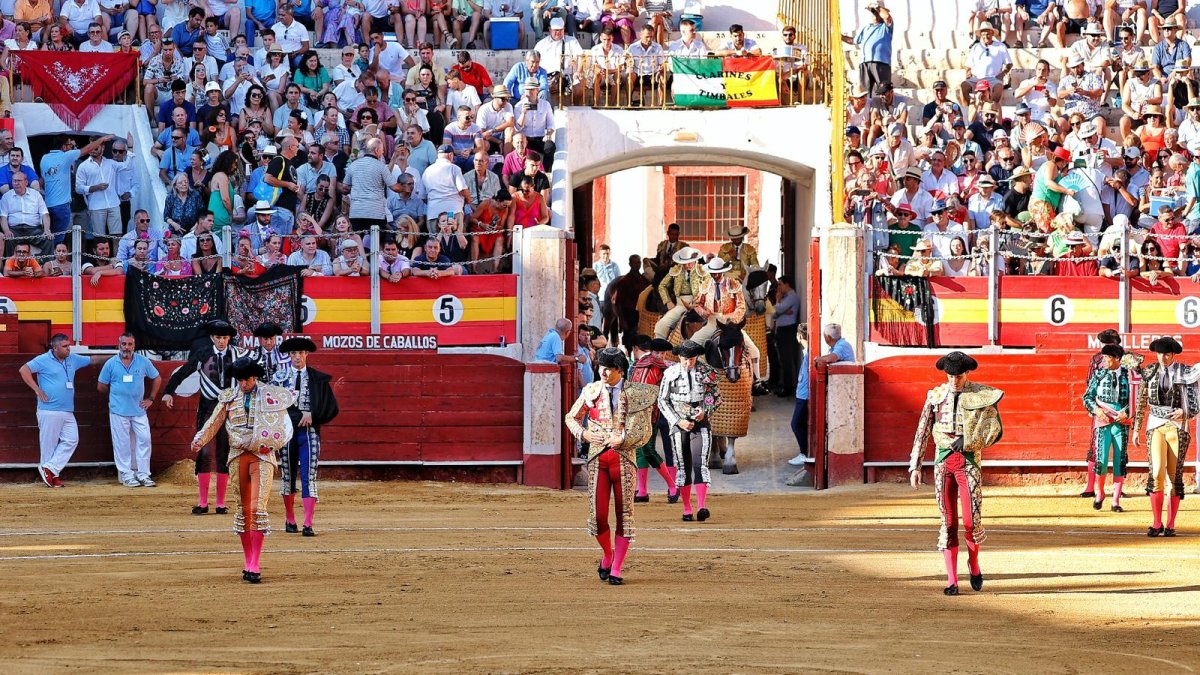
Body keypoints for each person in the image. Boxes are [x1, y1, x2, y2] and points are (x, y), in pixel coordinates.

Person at [190, 357, 295, 583]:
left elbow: (285, 427)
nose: (243, 384)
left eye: (247, 379)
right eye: (239, 380)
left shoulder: (270, 395)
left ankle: (255, 563)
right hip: (237, 456)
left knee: (257, 509)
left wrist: (273, 445)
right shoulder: (229, 397)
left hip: (262, 456)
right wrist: (200, 439)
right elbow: (214, 422)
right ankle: (248, 561)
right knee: (244, 510)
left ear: (254, 377)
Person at [909, 351, 1005, 596]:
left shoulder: (980, 395)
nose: (954, 380)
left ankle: (973, 563)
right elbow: (922, 431)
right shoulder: (935, 396)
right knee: (949, 522)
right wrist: (915, 465)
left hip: (968, 463)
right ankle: (952, 580)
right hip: (943, 464)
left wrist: (968, 439)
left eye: (959, 376)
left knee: (971, 522)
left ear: (967, 373)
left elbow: (993, 430)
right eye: (950, 376)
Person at [564, 347, 658, 585]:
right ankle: (608, 554)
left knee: (624, 516)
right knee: (598, 517)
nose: (603, 373)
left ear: (620, 370)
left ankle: (616, 568)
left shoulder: (636, 393)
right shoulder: (592, 390)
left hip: (624, 459)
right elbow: (571, 417)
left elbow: (645, 431)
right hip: (598, 458)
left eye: (608, 369)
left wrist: (623, 439)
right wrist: (584, 434)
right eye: (601, 368)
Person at [162, 320, 247, 515]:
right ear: (212, 338)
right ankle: (202, 502)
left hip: (229, 410)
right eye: (218, 337)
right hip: (208, 409)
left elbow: (254, 371)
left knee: (224, 452)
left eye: (225, 337)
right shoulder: (203, 354)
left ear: (229, 338)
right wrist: (168, 392)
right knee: (205, 452)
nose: (222, 341)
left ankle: (220, 503)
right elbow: (182, 373)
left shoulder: (238, 355)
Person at [18, 334, 107, 487]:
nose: (68, 349)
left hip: (67, 410)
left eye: (69, 345)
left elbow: (93, 360)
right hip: (49, 409)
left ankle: (50, 469)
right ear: (55, 347)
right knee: (49, 445)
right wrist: (37, 389)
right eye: (65, 346)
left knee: (72, 439)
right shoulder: (42, 359)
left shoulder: (72, 359)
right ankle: (52, 475)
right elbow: (23, 370)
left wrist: (115, 357)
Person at [1133, 336, 1200, 537]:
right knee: (1156, 473)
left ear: (1173, 355)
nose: (1163, 358)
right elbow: (1141, 401)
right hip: (1155, 425)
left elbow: (1196, 400)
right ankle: (1156, 523)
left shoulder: (1185, 372)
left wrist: (1185, 412)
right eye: (1160, 354)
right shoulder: (1149, 372)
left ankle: (1170, 524)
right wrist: (1136, 428)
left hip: (1178, 427)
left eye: (1167, 354)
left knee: (1174, 476)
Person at [279, 336, 339, 536]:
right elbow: (273, 408)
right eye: (293, 353)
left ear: (306, 354)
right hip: (286, 433)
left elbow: (331, 407)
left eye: (301, 353)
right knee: (287, 475)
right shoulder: (279, 379)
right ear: (289, 355)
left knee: (308, 476)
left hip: (309, 433)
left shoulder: (318, 379)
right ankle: (290, 519)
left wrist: (313, 415)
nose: (297, 356)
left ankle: (307, 523)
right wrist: (298, 416)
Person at [658, 339, 721, 523]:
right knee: (683, 466)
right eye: (685, 359)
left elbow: (715, 397)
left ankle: (701, 506)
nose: (688, 363)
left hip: (701, 422)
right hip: (680, 425)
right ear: (679, 357)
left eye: (692, 359)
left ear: (696, 357)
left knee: (701, 464)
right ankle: (687, 508)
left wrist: (705, 411)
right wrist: (678, 421)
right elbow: (662, 401)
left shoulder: (706, 372)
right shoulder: (670, 373)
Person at [97, 333, 161, 488]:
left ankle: (143, 474)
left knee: (145, 439)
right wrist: (115, 397)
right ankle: (126, 474)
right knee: (122, 444)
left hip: (139, 410)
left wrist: (151, 398)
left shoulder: (143, 361)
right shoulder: (111, 363)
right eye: (124, 344)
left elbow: (157, 378)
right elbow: (101, 386)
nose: (126, 347)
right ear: (119, 345)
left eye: (130, 344)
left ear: (134, 346)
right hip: (118, 411)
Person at [1082, 343, 1133, 513]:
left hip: (1121, 422)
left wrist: (1127, 412)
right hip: (1103, 421)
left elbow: (1136, 399)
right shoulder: (1099, 374)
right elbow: (1087, 397)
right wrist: (1097, 410)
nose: (1103, 361)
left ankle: (1116, 500)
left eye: (1107, 357)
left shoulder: (1129, 375)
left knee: (1120, 460)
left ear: (1117, 358)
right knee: (1101, 460)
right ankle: (1100, 492)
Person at [629, 336, 678, 504]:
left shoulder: (641, 365)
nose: (660, 356)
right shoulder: (647, 365)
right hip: (643, 413)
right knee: (642, 450)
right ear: (652, 351)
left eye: (663, 353)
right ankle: (644, 490)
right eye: (657, 352)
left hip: (656, 414)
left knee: (654, 450)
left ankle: (671, 486)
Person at [844, 1, 894, 101]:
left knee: (884, 91)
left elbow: (887, 17)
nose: (874, 13)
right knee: (865, 93)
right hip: (865, 63)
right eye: (872, 12)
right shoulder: (866, 28)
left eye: (876, 11)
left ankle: (887, 109)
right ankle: (868, 110)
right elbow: (853, 41)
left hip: (881, 63)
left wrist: (877, 7)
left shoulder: (886, 27)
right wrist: (840, 36)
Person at [653, 246, 706, 339]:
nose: (687, 265)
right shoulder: (676, 270)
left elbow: (710, 287)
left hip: (701, 305)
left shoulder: (703, 270)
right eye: (684, 263)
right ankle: (660, 347)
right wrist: (668, 301)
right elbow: (662, 286)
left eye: (689, 262)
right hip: (681, 305)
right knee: (661, 325)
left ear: (695, 260)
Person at [786, 324, 811, 485]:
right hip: (803, 393)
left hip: (804, 394)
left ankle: (804, 453)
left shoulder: (808, 353)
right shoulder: (807, 352)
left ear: (799, 337)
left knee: (796, 424)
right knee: (800, 424)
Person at [248, 322, 288, 386]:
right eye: (265, 339)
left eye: (271, 338)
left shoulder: (284, 353)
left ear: (275, 337)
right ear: (260, 338)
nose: (269, 342)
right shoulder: (253, 355)